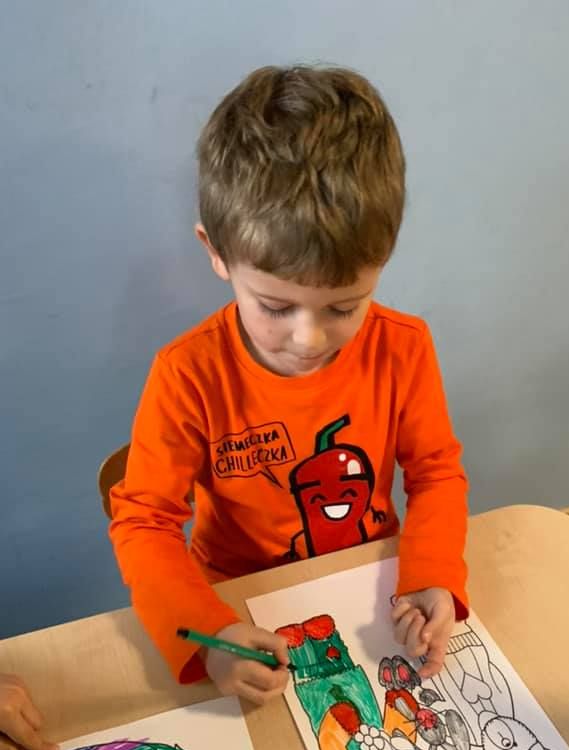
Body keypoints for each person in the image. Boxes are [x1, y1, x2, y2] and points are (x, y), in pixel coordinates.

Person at [109, 65, 468, 705]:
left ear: (383, 259)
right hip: (236, 607)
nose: (309, 339)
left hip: (369, 588)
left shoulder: (403, 346)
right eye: (276, 307)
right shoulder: (188, 374)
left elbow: (436, 473)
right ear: (216, 252)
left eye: (344, 306)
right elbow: (144, 521)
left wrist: (431, 574)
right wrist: (208, 635)